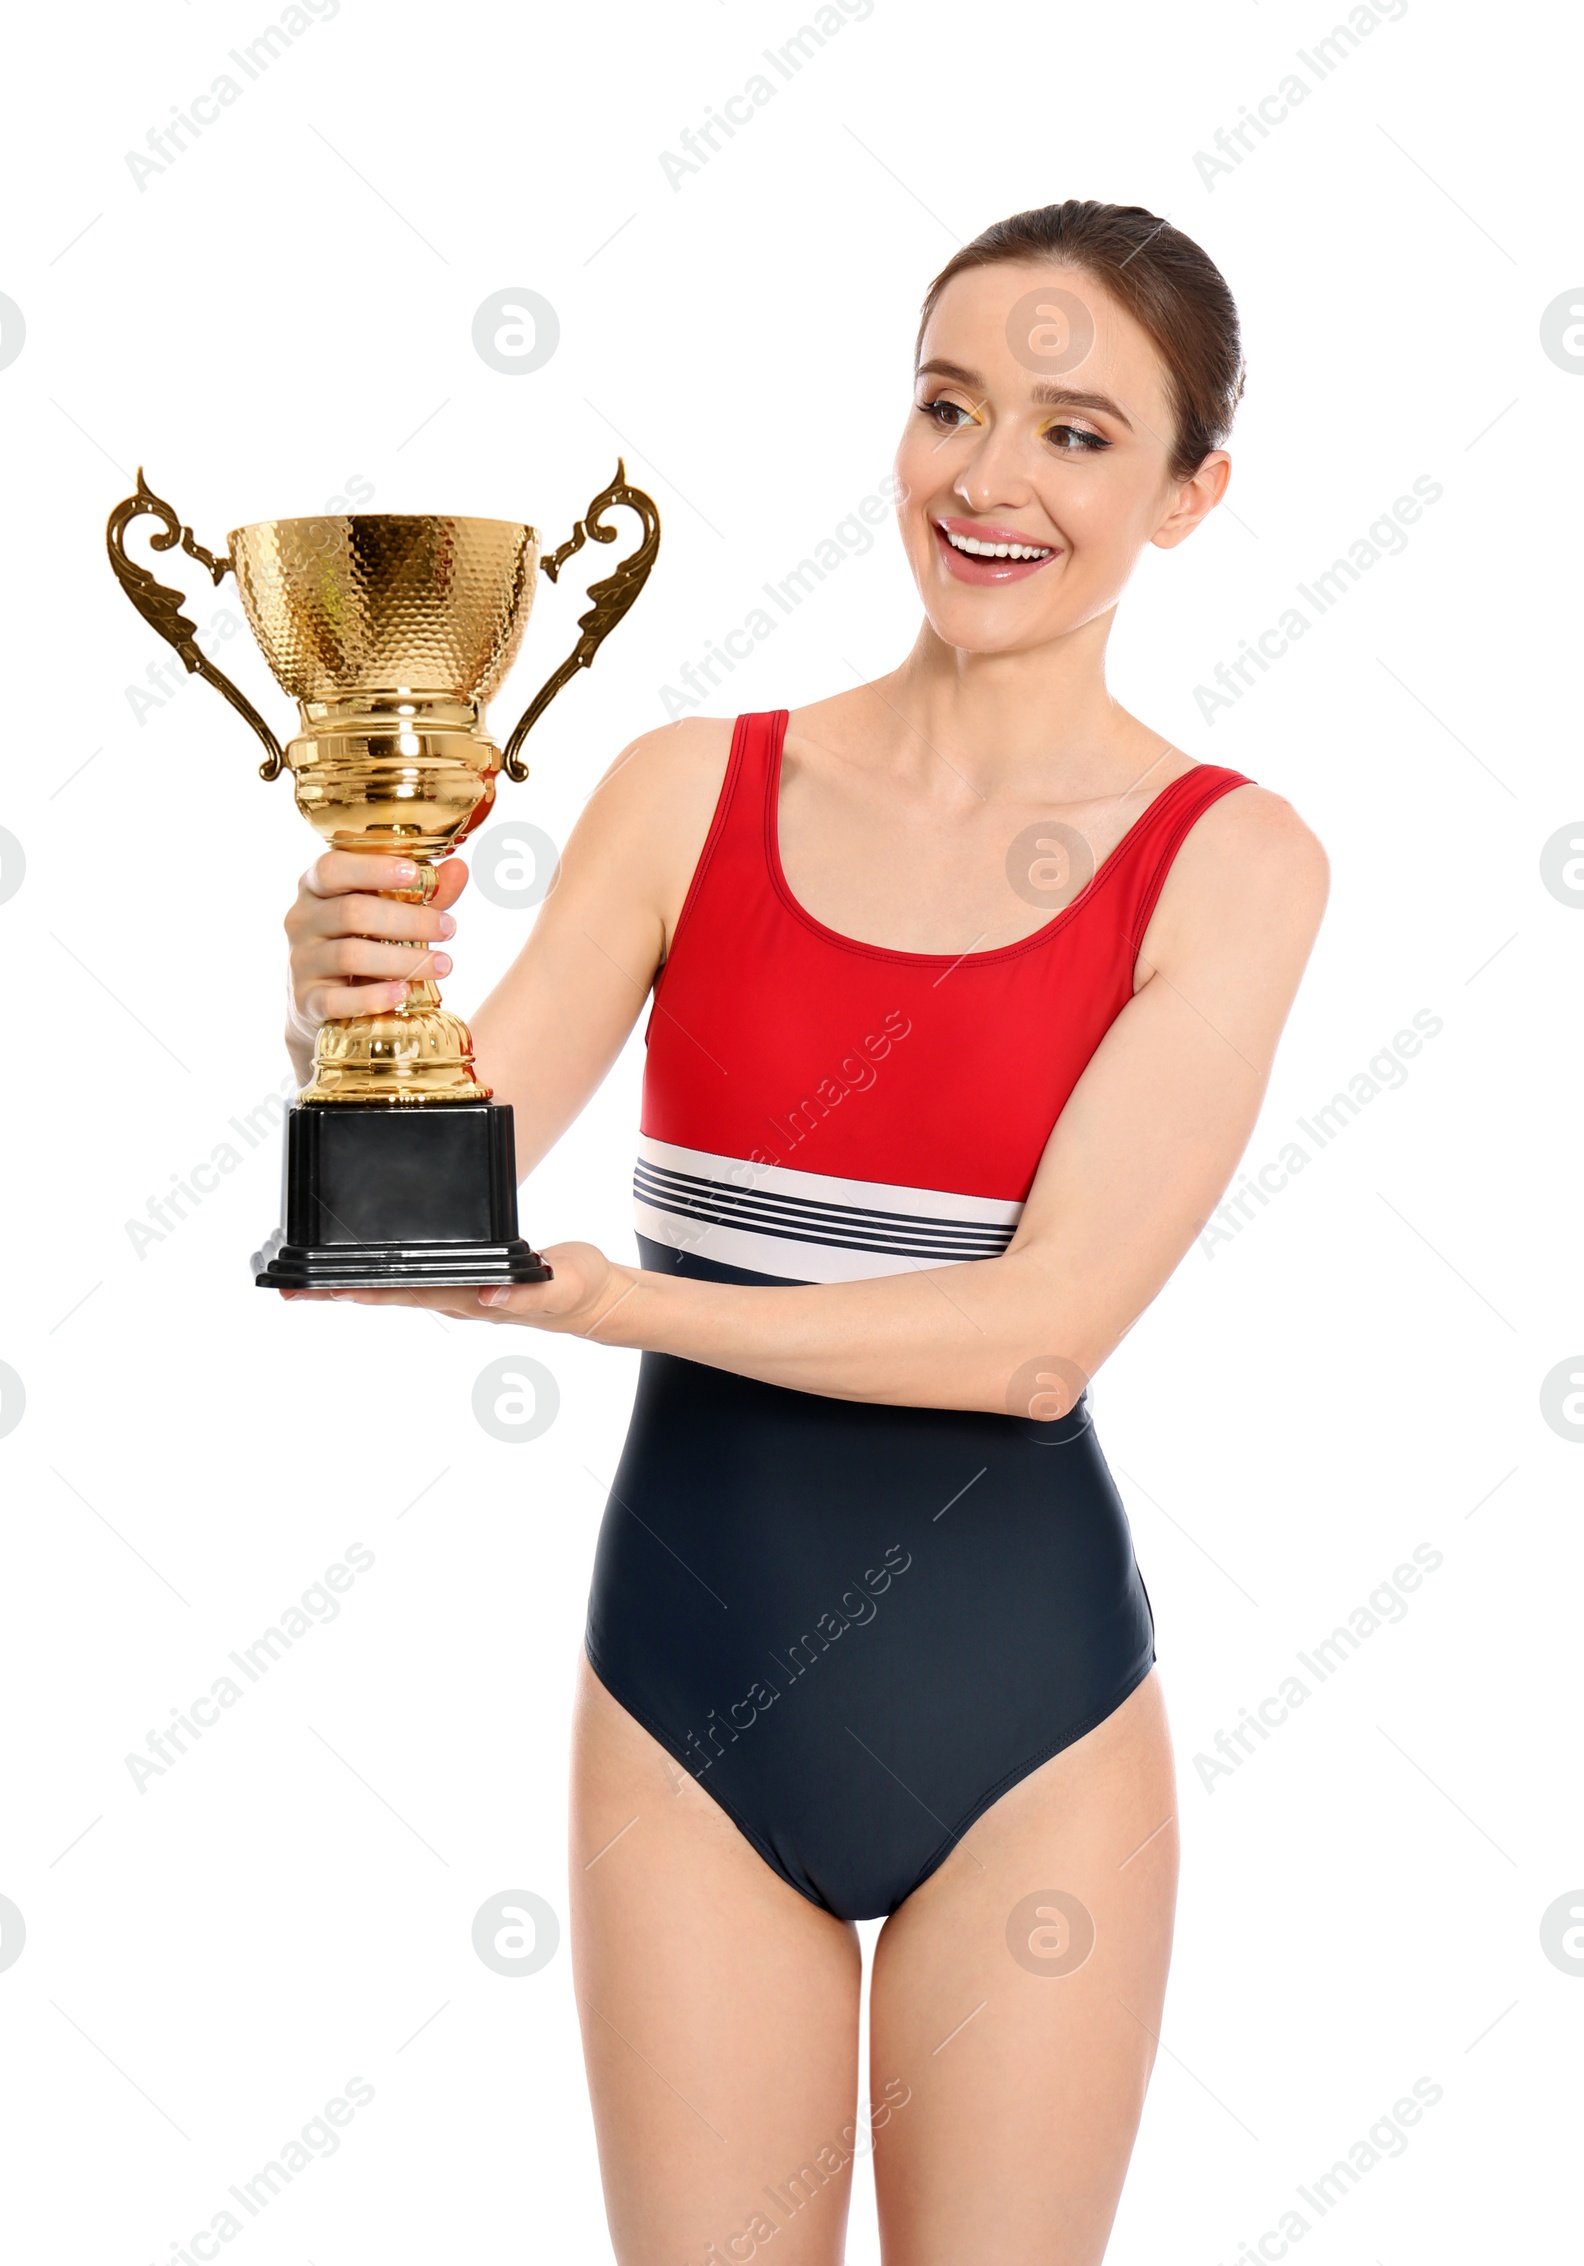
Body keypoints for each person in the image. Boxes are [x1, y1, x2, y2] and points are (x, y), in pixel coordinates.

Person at [281, 200, 1328, 2264]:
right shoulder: (688, 790)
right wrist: (344, 989)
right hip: (688, 1696)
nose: (988, 477)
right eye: (948, 406)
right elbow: (440, 1166)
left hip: (1023, 1718)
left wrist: (609, 1299)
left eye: (1079, 432)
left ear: (1192, 494)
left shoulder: (1231, 862)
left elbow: (1039, 1338)